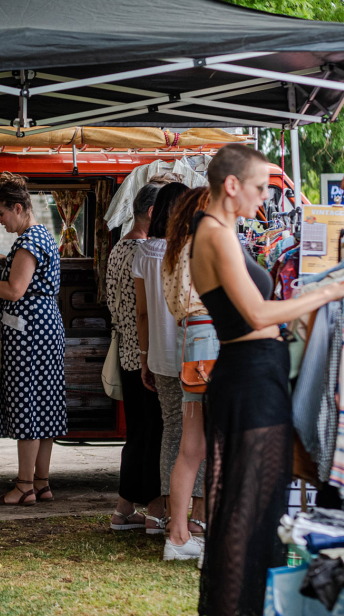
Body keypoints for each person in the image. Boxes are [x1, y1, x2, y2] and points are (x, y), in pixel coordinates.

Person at [190, 145, 344, 616]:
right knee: (248, 515)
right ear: (231, 186)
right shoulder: (215, 235)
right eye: (257, 189)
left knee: (257, 513)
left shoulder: (219, 232)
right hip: (249, 380)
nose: (263, 201)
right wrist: (330, 290)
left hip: (254, 375)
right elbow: (255, 312)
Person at [0, 172, 67, 505]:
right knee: (45, 406)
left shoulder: (28, 240)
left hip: (29, 333)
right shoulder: (41, 236)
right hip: (46, 329)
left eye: (1, 213)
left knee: (27, 408)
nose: (0, 220)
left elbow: (14, 290)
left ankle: (24, 487)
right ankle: (42, 483)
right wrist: (5, 260)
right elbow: (27, 275)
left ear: (19, 208)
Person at [131, 181, 193, 537]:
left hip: (159, 355)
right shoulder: (187, 249)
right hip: (191, 354)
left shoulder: (145, 252)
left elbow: (142, 314)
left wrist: (144, 357)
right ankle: (190, 515)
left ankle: (168, 512)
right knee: (194, 437)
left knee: (171, 431)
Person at [104, 182, 166, 531]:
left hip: (128, 351)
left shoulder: (118, 248)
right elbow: (145, 312)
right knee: (153, 434)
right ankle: (156, 511)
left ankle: (124, 508)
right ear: (154, 214)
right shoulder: (144, 252)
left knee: (139, 433)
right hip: (145, 354)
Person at [161, 186, 212, 562]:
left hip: (192, 340)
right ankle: (187, 531)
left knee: (190, 447)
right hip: (211, 339)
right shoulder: (204, 245)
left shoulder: (175, 248)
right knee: (203, 445)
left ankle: (178, 533)